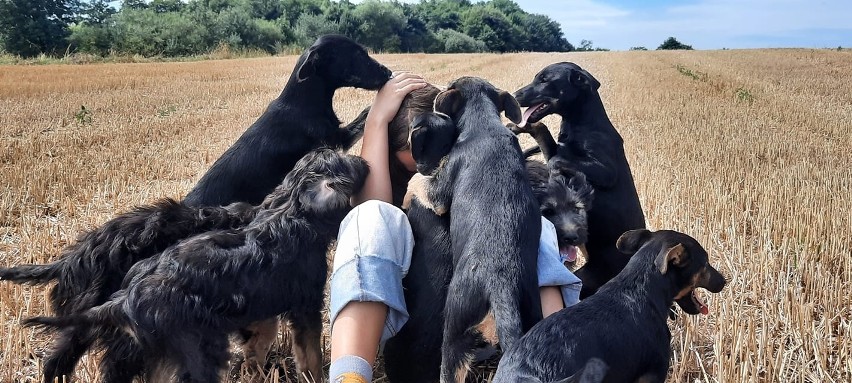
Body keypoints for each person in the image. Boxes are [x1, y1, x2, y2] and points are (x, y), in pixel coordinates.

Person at [327, 73, 582, 383]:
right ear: (391, 153)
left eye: (441, 138)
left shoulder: (476, 158)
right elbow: (372, 205)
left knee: (529, 222)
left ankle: (554, 361)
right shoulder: (391, 195)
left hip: (488, 324)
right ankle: (350, 377)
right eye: (416, 145)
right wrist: (377, 120)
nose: (433, 152)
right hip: (409, 323)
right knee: (370, 215)